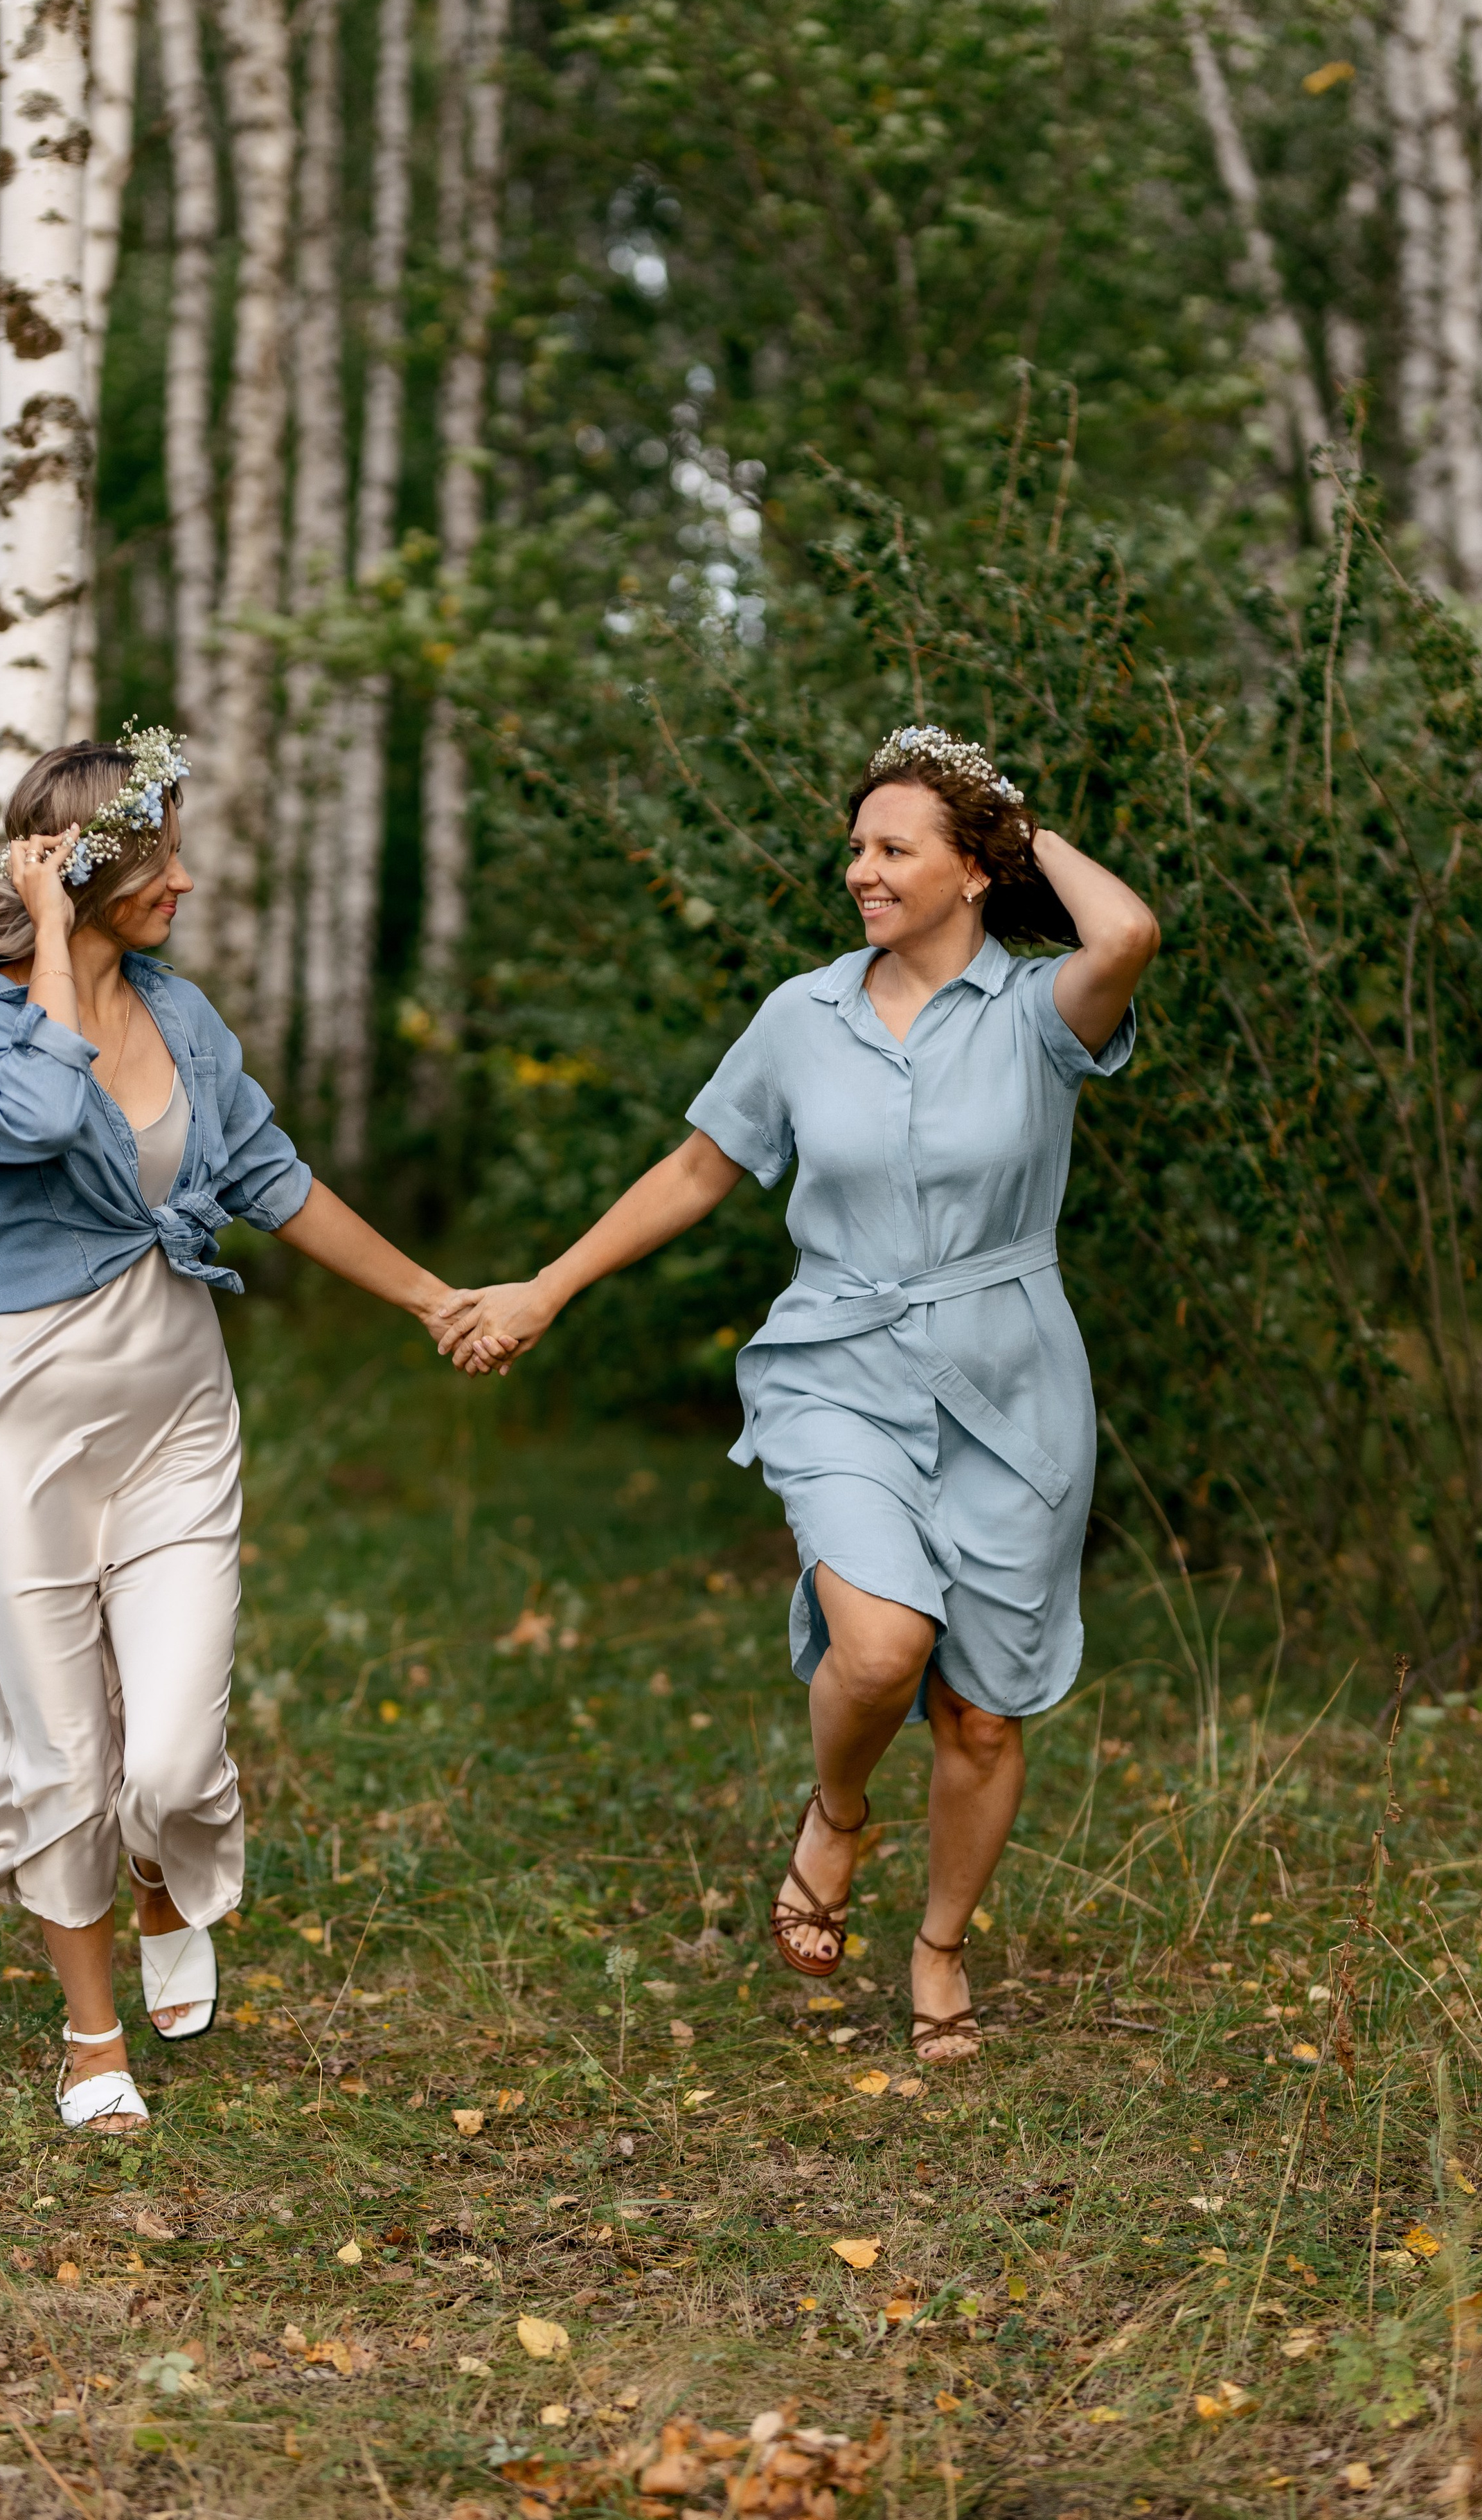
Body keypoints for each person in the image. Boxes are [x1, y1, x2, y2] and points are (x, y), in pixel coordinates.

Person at [437, 726, 1158, 2061]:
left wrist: (1010, 813)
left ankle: (937, 1949)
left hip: (1013, 1379)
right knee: (882, 1650)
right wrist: (547, 1286)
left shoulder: (1040, 1015)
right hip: (840, 1363)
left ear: (973, 872)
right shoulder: (800, 1017)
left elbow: (1127, 930)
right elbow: (699, 1172)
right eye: (856, 848)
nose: (861, 873)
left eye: (895, 850)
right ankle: (837, 1812)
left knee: (981, 1712)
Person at [0, 733, 465, 2133]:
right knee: (62, 1750)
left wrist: (432, 1299)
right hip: (19, 1425)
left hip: (173, 1408)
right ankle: (94, 2042)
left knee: (164, 1755)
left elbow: (269, 1176)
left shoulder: (181, 1014)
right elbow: (34, 1111)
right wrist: (40, 938)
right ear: (81, 873)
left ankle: (162, 1872)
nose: (185, 885)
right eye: (156, 864)